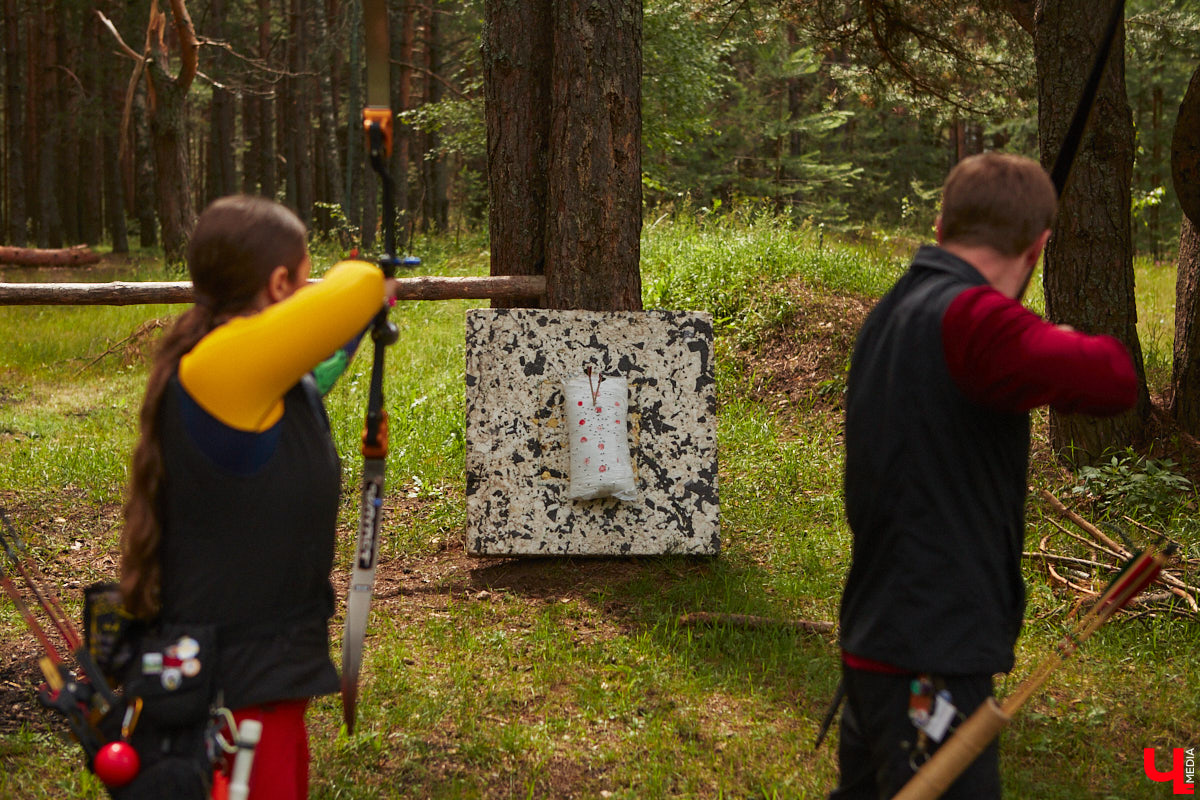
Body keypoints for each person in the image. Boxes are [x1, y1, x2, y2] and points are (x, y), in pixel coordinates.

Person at [831, 152, 1138, 799]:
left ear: (941, 227)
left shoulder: (895, 308)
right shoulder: (974, 321)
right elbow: (1113, 377)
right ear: (1039, 247)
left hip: (878, 641)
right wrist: (1050, 328)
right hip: (930, 657)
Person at [119, 195, 397, 799]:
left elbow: (313, 376)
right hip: (231, 692)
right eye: (303, 278)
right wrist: (371, 283)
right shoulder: (221, 364)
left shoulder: (252, 376)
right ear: (277, 284)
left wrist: (351, 332)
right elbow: (360, 285)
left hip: (262, 678)